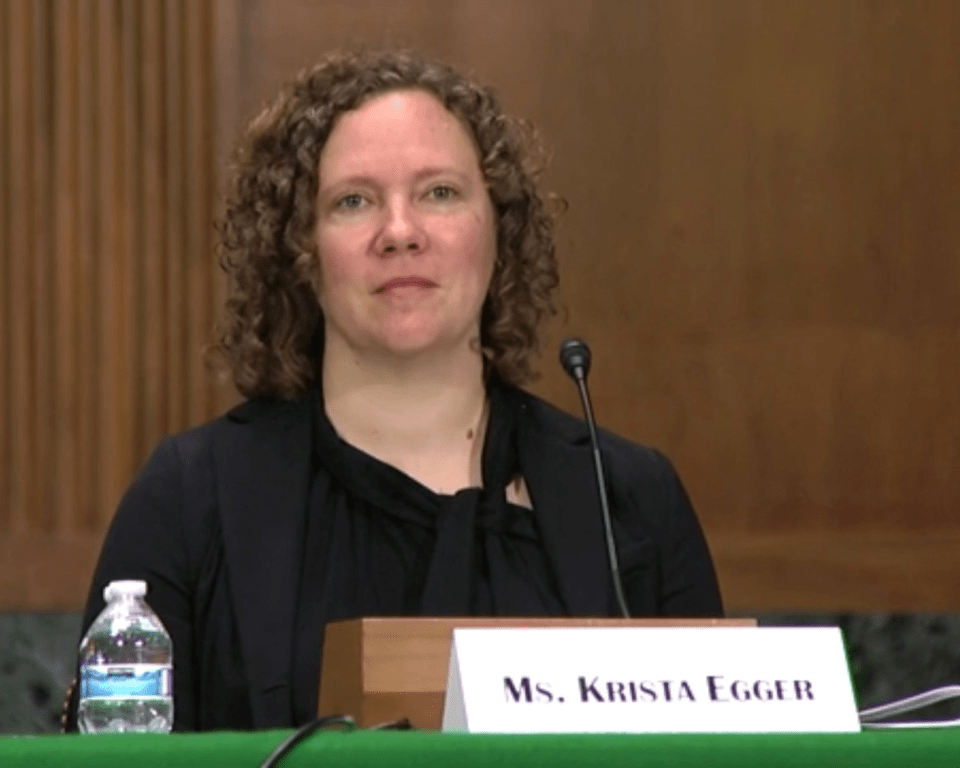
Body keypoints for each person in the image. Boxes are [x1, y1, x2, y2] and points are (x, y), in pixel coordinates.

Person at [67, 48, 722, 732]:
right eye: (354, 201)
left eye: (439, 192)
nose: (401, 232)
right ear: (300, 251)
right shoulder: (191, 499)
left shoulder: (630, 500)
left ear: (499, 230)